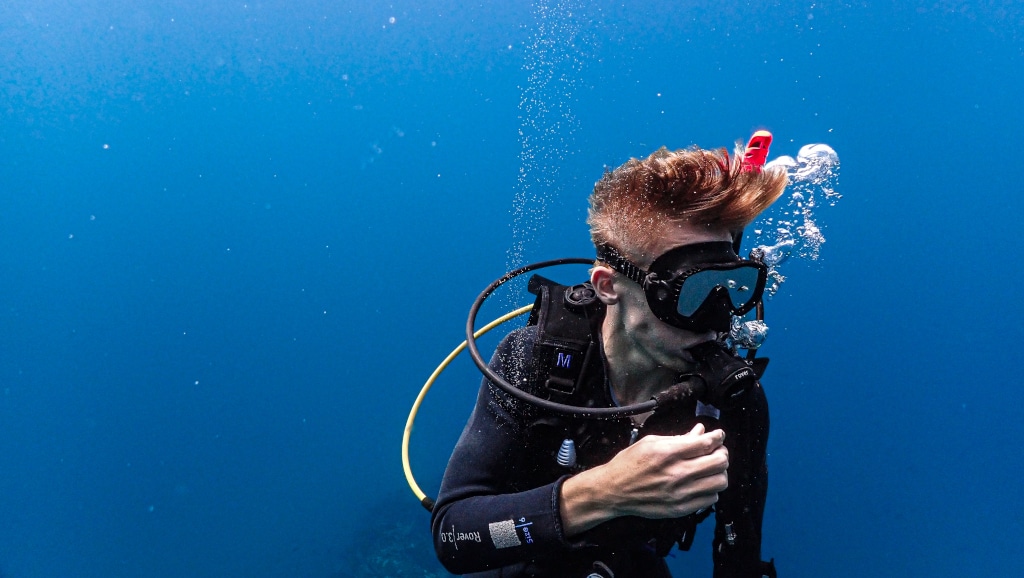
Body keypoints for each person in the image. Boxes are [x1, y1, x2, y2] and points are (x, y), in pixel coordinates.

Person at [431, 137, 788, 578]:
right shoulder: (535, 360)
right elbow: (453, 537)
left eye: (731, 287)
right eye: (689, 292)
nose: (715, 320)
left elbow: (739, 557)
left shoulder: (732, 399)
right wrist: (602, 492)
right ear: (608, 286)